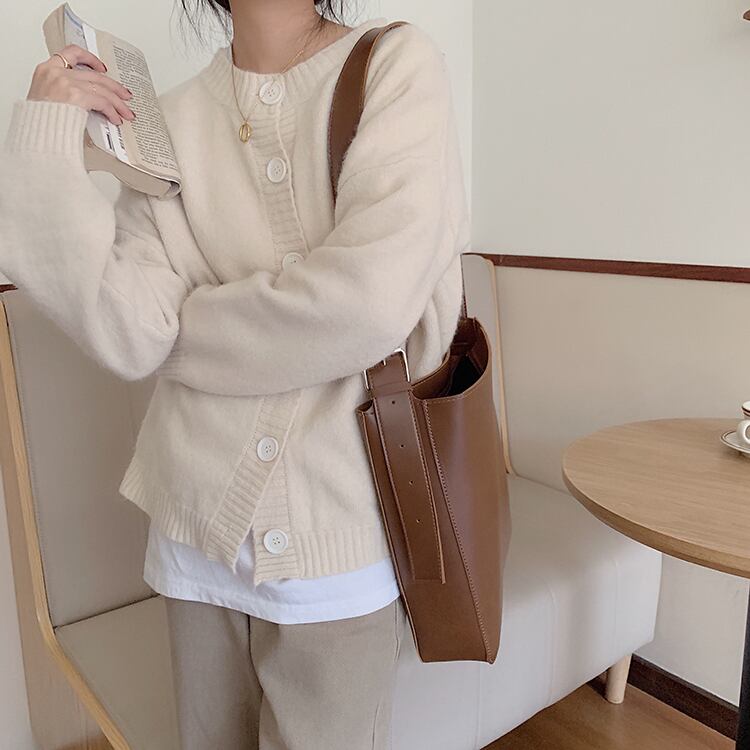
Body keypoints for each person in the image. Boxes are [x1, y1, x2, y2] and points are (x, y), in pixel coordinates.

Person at [0, 0, 470, 747]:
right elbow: (128, 330)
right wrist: (46, 140)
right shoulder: (166, 120)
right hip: (195, 536)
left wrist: (181, 333)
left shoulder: (394, 65)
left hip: (340, 540)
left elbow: (369, 302)